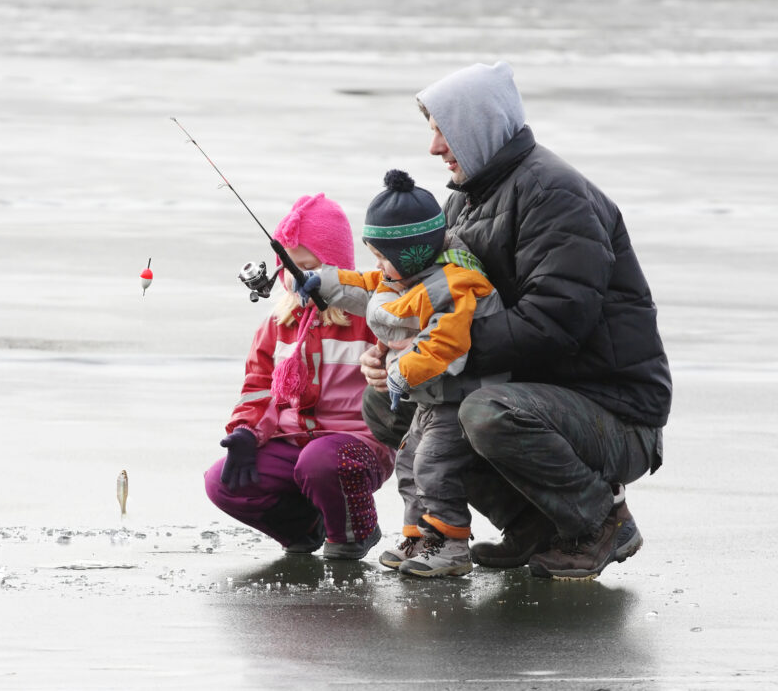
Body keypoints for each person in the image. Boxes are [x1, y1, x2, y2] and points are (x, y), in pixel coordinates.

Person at [360, 61, 672, 580]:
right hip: (528, 391)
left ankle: (600, 520)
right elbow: (425, 296)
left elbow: (555, 322)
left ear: (478, 127)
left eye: (443, 130)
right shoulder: (462, 201)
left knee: (484, 412)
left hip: (614, 411)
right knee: (387, 403)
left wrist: (435, 353)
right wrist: (394, 349)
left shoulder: (556, 195)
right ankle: (532, 526)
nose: (434, 147)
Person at [296, 168, 507, 577]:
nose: (378, 265)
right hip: (432, 398)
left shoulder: (454, 286)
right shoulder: (407, 276)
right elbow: (364, 285)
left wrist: (400, 374)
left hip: (459, 397)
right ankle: (417, 537)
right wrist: (320, 282)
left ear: (412, 252)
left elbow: (445, 345)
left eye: (382, 256)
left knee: (434, 466)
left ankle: (449, 544)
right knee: (409, 463)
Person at [204, 193, 395, 560]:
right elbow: (257, 388)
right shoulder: (277, 324)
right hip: (293, 441)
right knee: (221, 482)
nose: (297, 278)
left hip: (357, 444)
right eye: (289, 268)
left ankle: (355, 531)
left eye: (308, 267)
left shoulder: (370, 317)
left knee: (320, 462)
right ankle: (304, 527)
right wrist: (246, 431)